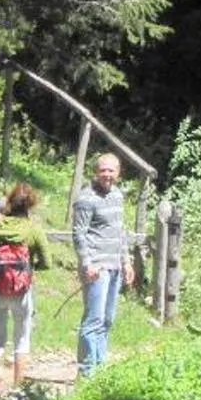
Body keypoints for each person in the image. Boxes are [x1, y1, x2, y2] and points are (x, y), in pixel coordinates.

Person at [0, 183, 52, 400]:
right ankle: (17, 391)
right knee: (22, 339)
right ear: (31, 204)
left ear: (10, 201)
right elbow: (46, 262)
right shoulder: (33, 229)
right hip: (22, 291)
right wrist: (29, 268)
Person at [71, 151, 130, 376]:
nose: (106, 175)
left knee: (107, 319)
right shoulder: (86, 198)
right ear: (96, 172)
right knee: (93, 320)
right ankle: (86, 373)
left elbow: (120, 231)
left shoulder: (117, 196)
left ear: (118, 173)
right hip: (97, 267)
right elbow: (79, 234)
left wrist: (126, 261)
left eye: (111, 170)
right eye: (102, 170)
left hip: (115, 265)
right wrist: (87, 264)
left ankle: (101, 369)